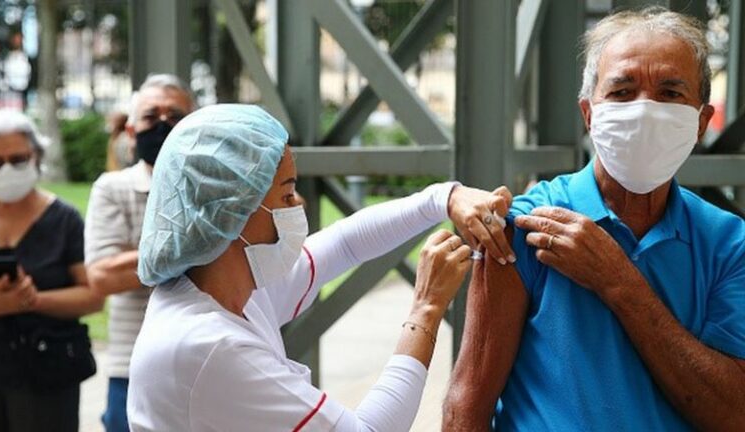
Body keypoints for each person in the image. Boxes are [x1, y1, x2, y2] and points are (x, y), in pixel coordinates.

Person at [442, 7, 745, 431]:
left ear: (699, 123)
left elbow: (734, 413)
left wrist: (617, 279)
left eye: (670, 93)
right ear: (589, 113)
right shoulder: (527, 226)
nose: (644, 111)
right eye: (622, 92)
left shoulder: (730, 244)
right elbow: (466, 406)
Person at [126, 104, 515, 431]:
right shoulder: (210, 348)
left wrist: (443, 198)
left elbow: (345, 243)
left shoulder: (228, 291)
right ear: (233, 213)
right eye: (286, 193)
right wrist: (426, 309)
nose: (300, 205)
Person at [0, 110, 103, 432]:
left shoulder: (64, 219)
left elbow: (92, 295)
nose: (7, 169)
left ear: (37, 157)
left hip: (48, 373)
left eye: (18, 159)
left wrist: (33, 300)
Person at [84, 74, 195, 432]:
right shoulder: (113, 188)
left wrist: (142, 257)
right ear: (131, 131)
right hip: (132, 365)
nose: (164, 125)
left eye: (175, 116)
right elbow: (102, 276)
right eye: (151, 116)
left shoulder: (211, 186)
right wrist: (198, 243)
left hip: (205, 357)